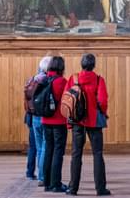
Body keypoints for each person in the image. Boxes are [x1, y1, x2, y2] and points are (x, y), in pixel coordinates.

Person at [66, 53, 110, 196]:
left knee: (76, 154)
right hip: (95, 121)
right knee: (97, 154)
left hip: (78, 121)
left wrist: (69, 122)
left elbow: (67, 100)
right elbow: (102, 101)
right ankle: (100, 189)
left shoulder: (73, 78)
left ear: (82, 64)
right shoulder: (99, 80)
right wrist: (102, 112)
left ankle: (73, 189)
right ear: (93, 65)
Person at [41, 56, 69, 193]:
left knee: (48, 151)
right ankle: (56, 184)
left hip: (45, 121)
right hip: (59, 122)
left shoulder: (43, 79)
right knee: (58, 152)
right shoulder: (62, 82)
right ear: (61, 67)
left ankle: (46, 183)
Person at [32, 56, 52, 185]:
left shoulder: (32, 80)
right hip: (44, 117)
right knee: (45, 147)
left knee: (39, 148)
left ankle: (40, 175)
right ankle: (43, 177)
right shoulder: (48, 81)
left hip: (34, 117)